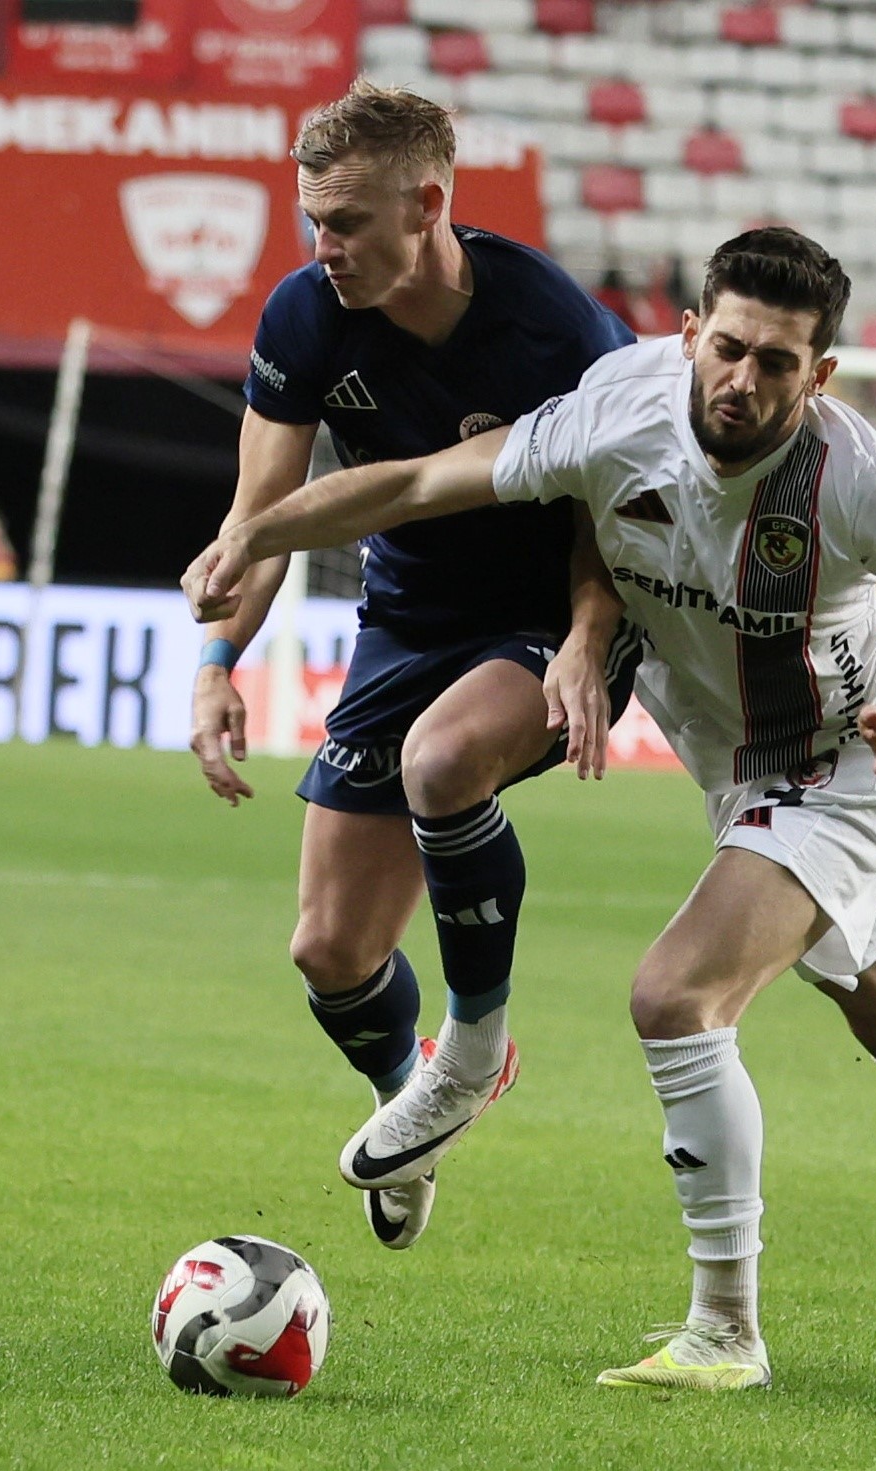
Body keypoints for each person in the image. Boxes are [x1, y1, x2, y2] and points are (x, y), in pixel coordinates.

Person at [184, 227, 876, 1391]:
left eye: (778, 363)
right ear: (689, 335)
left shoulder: (855, 477)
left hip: (843, 760)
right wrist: (260, 531)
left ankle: (726, 1330)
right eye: (728, 348)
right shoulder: (618, 407)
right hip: (733, 767)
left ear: (821, 374)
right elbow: (436, 484)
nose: (744, 379)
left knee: (676, 997)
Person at [191, 80, 639, 1253]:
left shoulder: (556, 326)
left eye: (346, 223)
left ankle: (476, 1048)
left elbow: (615, 513)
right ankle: (415, 1101)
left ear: (428, 205)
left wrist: (590, 638)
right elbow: (259, 518)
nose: (322, 248)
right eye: (312, 221)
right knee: (331, 952)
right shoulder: (305, 317)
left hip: (554, 610)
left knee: (443, 761)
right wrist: (217, 661)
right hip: (409, 616)